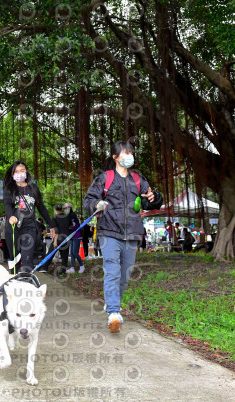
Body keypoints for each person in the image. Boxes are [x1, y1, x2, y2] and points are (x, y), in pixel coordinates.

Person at [83, 140, 159, 334]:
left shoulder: (137, 179)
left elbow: (150, 202)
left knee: (124, 274)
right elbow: (88, 201)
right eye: (125, 153)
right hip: (109, 231)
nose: (129, 156)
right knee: (112, 270)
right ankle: (114, 313)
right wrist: (97, 204)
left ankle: (112, 305)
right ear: (115, 157)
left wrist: (154, 197)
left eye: (131, 152)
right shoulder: (104, 178)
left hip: (132, 233)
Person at [3, 161, 56, 273]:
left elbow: (41, 207)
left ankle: (28, 285)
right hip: (13, 227)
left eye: (22, 170)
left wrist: (51, 225)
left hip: (29, 227)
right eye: (16, 171)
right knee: (15, 261)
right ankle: (14, 284)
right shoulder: (9, 188)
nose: (19, 173)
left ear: (26, 172)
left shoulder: (33, 188)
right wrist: (11, 216)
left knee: (27, 259)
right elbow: (7, 204)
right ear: (12, 174)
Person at [64, 202, 84, 274]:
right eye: (65, 208)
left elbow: (73, 225)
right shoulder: (68, 215)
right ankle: (72, 268)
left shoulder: (72, 215)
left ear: (70, 207)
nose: (65, 209)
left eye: (66, 208)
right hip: (71, 236)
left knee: (75, 253)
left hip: (76, 236)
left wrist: (68, 227)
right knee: (72, 253)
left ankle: (82, 265)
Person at [52, 204, 71, 271]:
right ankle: (63, 269)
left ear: (55, 210)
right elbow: (71, 226)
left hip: (58, 239)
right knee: (64, 256)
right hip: (66, 238)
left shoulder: (55, 218)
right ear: (62, 209)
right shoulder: (67, 217)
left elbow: (56, 230)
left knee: (51, 252)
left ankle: (44, 267)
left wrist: (55, 241)